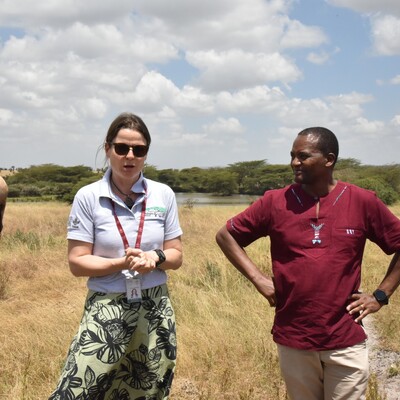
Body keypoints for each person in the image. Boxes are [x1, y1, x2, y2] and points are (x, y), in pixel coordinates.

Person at [216, 127, 400, 400]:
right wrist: (259, 279)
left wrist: (381, 295)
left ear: (329, 159)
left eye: (303, 156)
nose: (294, 162)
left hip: (345, 339)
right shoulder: (275, 202)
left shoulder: (362, 201)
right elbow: (226, 235)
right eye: (292, 155)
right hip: (294, 339)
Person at [49, 112, 183, 400]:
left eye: (139, 149)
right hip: (106, 304)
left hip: (155, 304)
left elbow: (176, 255)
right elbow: (77, 262)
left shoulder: (163, 195)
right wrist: (120, 263)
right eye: (122, 148)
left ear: (147, 153)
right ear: (108, 148)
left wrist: (155, 258)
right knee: (79, 387)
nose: (130, 156)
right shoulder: (89, 196)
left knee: (147, 387)